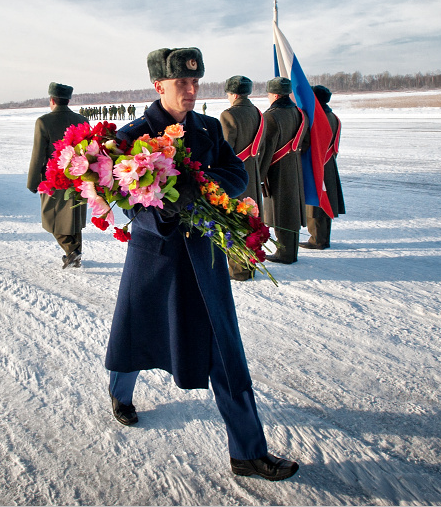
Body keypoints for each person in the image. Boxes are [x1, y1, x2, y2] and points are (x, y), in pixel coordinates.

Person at [105, 47, 299, 482]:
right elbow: (129, 203)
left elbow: (236, 173)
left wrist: (202, 188)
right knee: (134, 335)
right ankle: (120, 394)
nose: (191, 90)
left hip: (204, 259)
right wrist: (169, 208)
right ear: (159, 85)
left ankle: (248, 452)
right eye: (181, 83)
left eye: (195, 82)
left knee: (226, 351)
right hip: (155, 257)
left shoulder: (209, 127)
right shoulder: (132, 136)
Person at [26, 82, 89, 268]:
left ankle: (71, 250)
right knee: (74, 215)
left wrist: (32, 182)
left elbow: (37, 155)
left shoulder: (43, 121)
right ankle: (75, 255)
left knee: (50, 217)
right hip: (79, 175)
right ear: (67, 100)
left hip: (54, 177)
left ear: (52, 100)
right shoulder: (81, 120)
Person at [218, 75, 265, 281]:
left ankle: (239, 270)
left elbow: (224, 150)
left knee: (236, 220)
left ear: (233, 94)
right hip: (252, 172)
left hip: (236, 177)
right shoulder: (258, 113)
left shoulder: (229, 115)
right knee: (252, 220)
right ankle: (249, 265)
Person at [257, 77, 306, 264]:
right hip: (294, 166)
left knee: (280, 210)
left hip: (277, 169)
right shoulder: (300, 114)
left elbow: (267, 148)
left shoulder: (271, 116)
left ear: (275, 95)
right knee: (292, 209)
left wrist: (260, 177)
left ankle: (284, 253)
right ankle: (291, 250)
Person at [302, 85, 345, 249]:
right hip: (329, 163)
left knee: (316, 202)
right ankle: (324, 237)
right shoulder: (333, 116)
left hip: (318, 163)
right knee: (326, 199)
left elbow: (308, 142)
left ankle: (317, 239)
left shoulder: (317, 117)